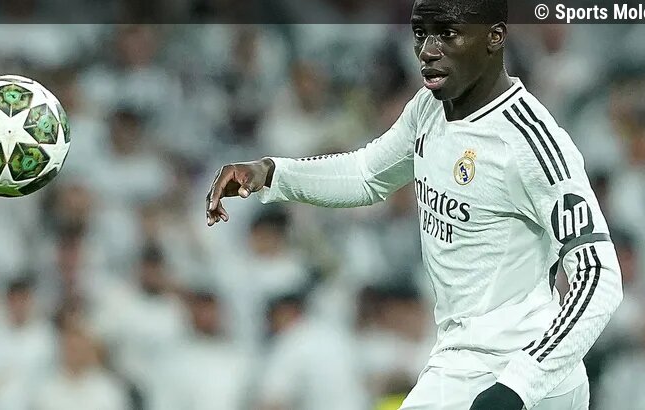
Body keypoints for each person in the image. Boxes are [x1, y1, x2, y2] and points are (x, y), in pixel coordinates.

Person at [205, 0, 623, 409]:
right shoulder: (428, 109)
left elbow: (599, 275)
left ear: (494, 37)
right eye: (421, 34)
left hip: (519, 370)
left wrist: (518, 385)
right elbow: (367, 174)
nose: (427, 50)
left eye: (448, 34)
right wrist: (271, 172)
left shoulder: (530, 143)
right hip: (474, 363)